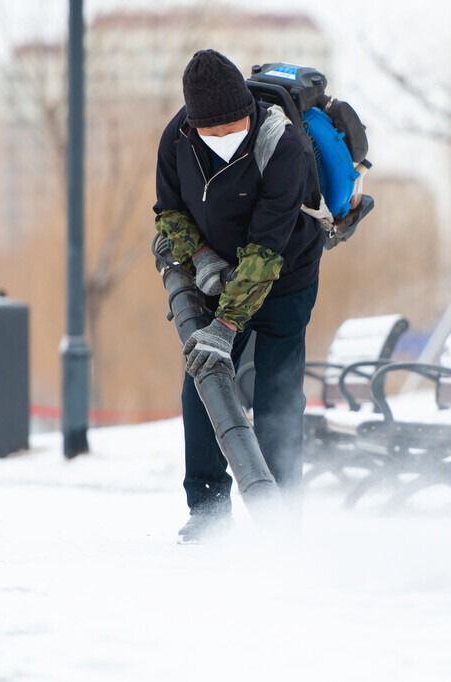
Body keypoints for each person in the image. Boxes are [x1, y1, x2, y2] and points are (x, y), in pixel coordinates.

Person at [154, 49, 324, 543]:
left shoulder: (281, 143)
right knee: (202, 383)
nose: (227, 137)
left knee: (277, 392)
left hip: (286, 277)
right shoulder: (176, 140)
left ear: (249, 111)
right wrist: (202, 260)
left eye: (236, 127)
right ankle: (206, 512)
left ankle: (283, 515)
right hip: (220, 274)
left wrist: (224, 326)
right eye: (216, 132)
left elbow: (268, 251)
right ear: (194, 125)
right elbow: (170, 214)